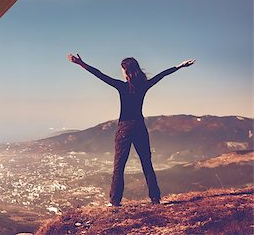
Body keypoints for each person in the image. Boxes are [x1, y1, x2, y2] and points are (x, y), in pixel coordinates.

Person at [68, 54, 195, 206]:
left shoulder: (122, 87)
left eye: (122, 70)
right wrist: (180, 66)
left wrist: (81, 63)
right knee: (146, 163)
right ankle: (155, 199)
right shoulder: (143, 86)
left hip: (125, 129)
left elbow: (99, 75)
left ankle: (115, 201)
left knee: (119, 166)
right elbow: (162, 75)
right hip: (140, 127)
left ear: (126, 71)